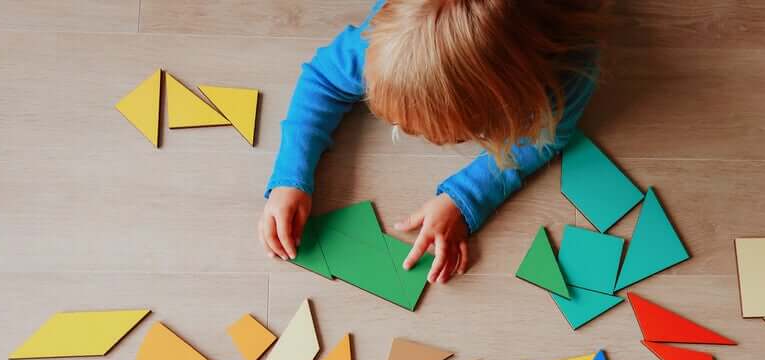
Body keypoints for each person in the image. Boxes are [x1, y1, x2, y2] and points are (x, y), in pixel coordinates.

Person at [259, 0, 604, 284]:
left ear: (504, 111)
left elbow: (541, 142)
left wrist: (465, 196)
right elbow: (323, 80)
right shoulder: (386, 42)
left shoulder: (567, 77)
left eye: (442, 136)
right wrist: (291, 175)